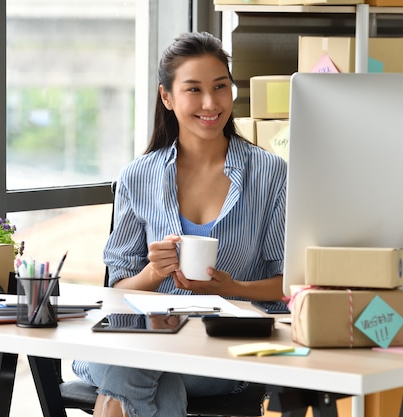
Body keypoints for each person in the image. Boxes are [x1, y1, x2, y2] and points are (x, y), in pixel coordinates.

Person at [72, 31, 287, 417]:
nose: (210, 103)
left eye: (220, 87)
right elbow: (117, 288)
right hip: (143, 341)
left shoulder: (270, 173)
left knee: (129, 376)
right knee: (153, 375)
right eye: (194, 90)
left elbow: (290, 283)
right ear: (167, 98)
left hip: (222, 353)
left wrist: (232, 288)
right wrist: (153, 273)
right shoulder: (138, 176)